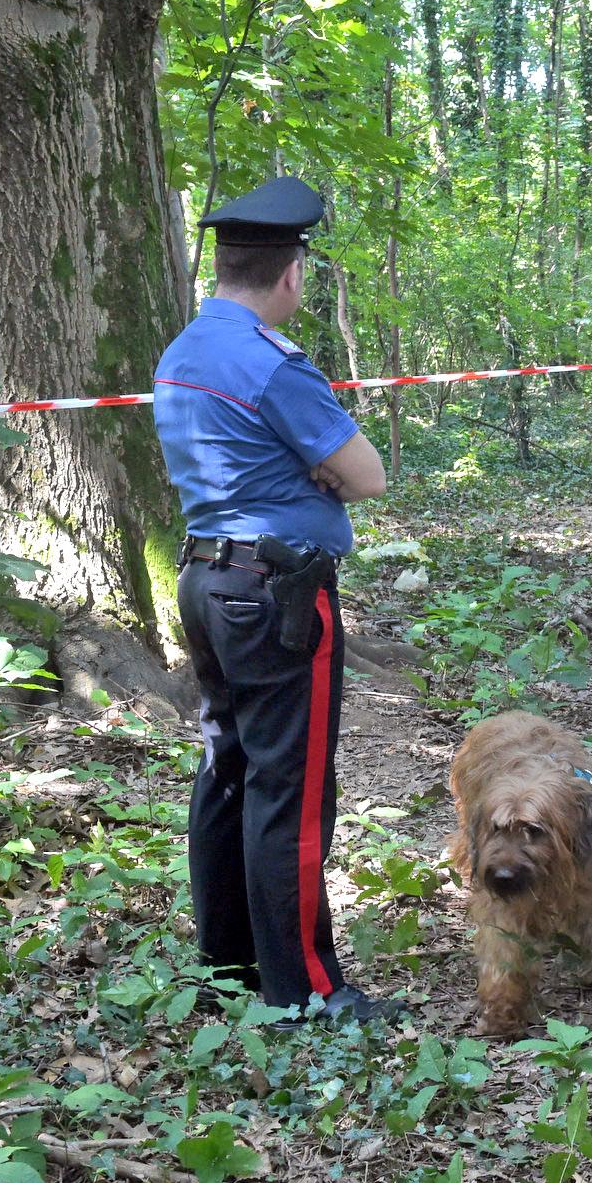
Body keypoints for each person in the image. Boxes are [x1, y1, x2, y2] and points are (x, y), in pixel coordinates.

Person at [151, 176, 398, 1023]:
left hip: (206, 583)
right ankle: (307, 994)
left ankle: (228, 971)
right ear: (292, 273)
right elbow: (365, 476)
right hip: (278, 594)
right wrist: (315, 468)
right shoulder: (270, 361)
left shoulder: (183, 350)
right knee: (288, 795)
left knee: (228, 773)